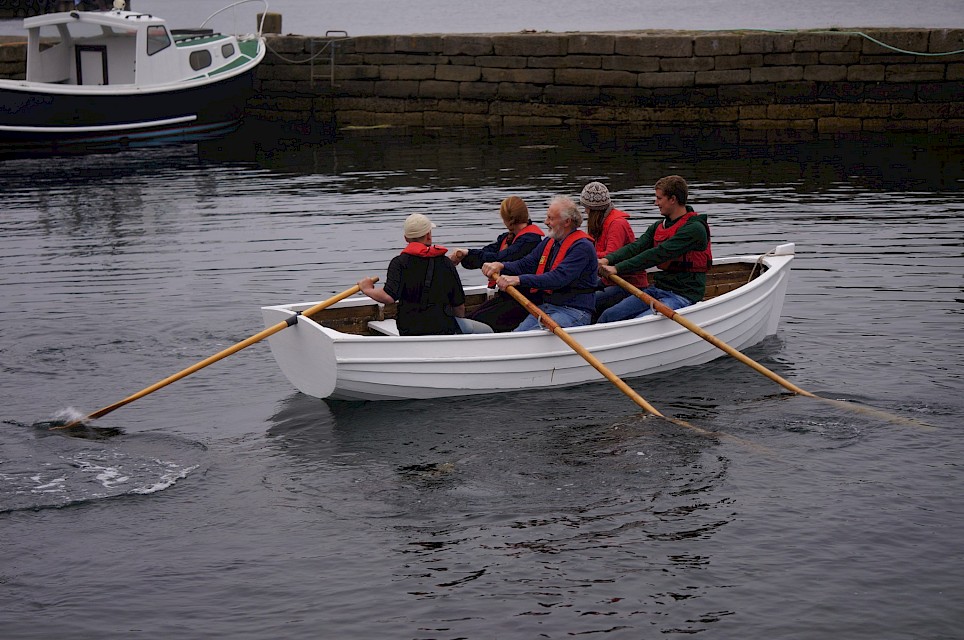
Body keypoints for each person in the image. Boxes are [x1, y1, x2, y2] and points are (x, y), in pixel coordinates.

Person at [596, 175, 712, 323]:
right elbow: (636, 247)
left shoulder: (694, 229)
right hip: (659, 289)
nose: (655, 202)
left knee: (639, 322)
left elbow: (657, 254)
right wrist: (607, 259)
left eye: (659, 198)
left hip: (684, 295)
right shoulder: (659, 226)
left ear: (673, 199)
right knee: (609, 315)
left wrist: (617, 268)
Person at [358, 213, 493, 336]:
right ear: (428, 235)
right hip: (443, 328)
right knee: (488, 331)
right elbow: (459, 305)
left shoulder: (398, 263)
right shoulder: (445, 263)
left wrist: (367, 289)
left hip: (409, 329)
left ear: (406, 238)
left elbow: (388, 297)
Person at [481, 195, 599, 332]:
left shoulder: (582, 247)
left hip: (574, 311)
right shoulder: (550, 241)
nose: (546, 222)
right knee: (517, 335)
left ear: (567, 222)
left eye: (551, 218)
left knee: (523, 338)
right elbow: (527, 263)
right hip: (548, 307)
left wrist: (519, 280)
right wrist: (502, 265)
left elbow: (558, 278)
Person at [449, 196, 545, 332]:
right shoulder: (507, 238)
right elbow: (486, 253)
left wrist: (468, 253)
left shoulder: (530, 241)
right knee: (469, 319)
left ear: (507, 220)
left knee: (474, 323)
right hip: (507, 297)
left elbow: (500, 257)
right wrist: (465, 255)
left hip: (524, 301)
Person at [578, 181, 649, 320]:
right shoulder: (599, 223)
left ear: (594, 209)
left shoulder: (617, 224)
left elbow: (611, 255)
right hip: (608, 280)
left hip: (628, 284)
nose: (585, 211)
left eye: (586, 208)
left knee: (589, 302)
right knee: (576, 296)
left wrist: (585, 255)